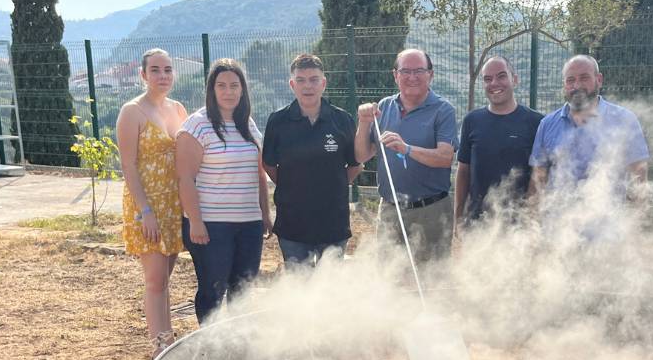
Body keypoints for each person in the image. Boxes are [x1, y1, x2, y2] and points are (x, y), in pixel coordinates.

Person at [175, 59, 272, 324]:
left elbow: (258, 173)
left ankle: (237, 346)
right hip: (211, 225)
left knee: (243, 291)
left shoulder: (247, 124)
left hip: (249, 224)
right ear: (212, 89)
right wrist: (195, 222)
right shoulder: (196, 126)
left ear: (242, 89)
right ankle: (210, 347)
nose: (228, 91)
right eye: (222, 86)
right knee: (212, 290)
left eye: (234, 85)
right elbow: (185, 178)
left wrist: (264, 213)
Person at [354, 48, 458, 265]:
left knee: (433, 279)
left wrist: (407, 149)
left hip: (431, 211)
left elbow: (445, 157)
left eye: (419, 70)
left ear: (431, 74)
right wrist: (364, 123)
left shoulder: (443, 110)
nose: (412, 77)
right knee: (390, 280)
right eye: (406, 71)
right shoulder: (384, 107)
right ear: (395, 75)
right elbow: (362, 155)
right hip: (390, 210)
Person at [117, 48, 188, 359]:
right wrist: (145, 211)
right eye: (156, 70)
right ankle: (160, 347)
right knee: (155, 279)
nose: (163, 76)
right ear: (143, 75)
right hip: (146, 207)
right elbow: (129, 165)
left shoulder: (178, 109)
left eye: (168, 70)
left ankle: (166, 338)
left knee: (165, 279)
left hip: (174, 205)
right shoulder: (132, 112)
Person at [262, 53, 361, 268]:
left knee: (330, 288)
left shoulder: (342, 120)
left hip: (333, 221)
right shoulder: (278, 121)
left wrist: (334, 184)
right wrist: (293, 185)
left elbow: (355, 164)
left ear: (323, 83)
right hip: (293, 223)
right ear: (292, 84)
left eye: (314, 80)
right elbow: (268, 164)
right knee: (299, 288)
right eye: (301, 80)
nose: (308, 86)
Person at [529, 54, 649, 206]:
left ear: (599, 79)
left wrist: (635, 224)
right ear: (564, 84)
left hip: (608, 226)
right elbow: (538, 181)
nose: (577, 85)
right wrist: (531, 225)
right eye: (570, 80)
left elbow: (639, 181)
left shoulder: (625, 120)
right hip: (557, 226)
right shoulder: (547, 125)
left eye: (584, 78)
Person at [453, 55, 543, 235]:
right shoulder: (472, 120)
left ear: (514, 79)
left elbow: (540, 177)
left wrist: (532, 222)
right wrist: (458, 218)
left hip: (519, 227)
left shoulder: (537, 122)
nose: (494, 83)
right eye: (488, 79)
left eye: (501, 76)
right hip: (477, 224)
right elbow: (463, 171)